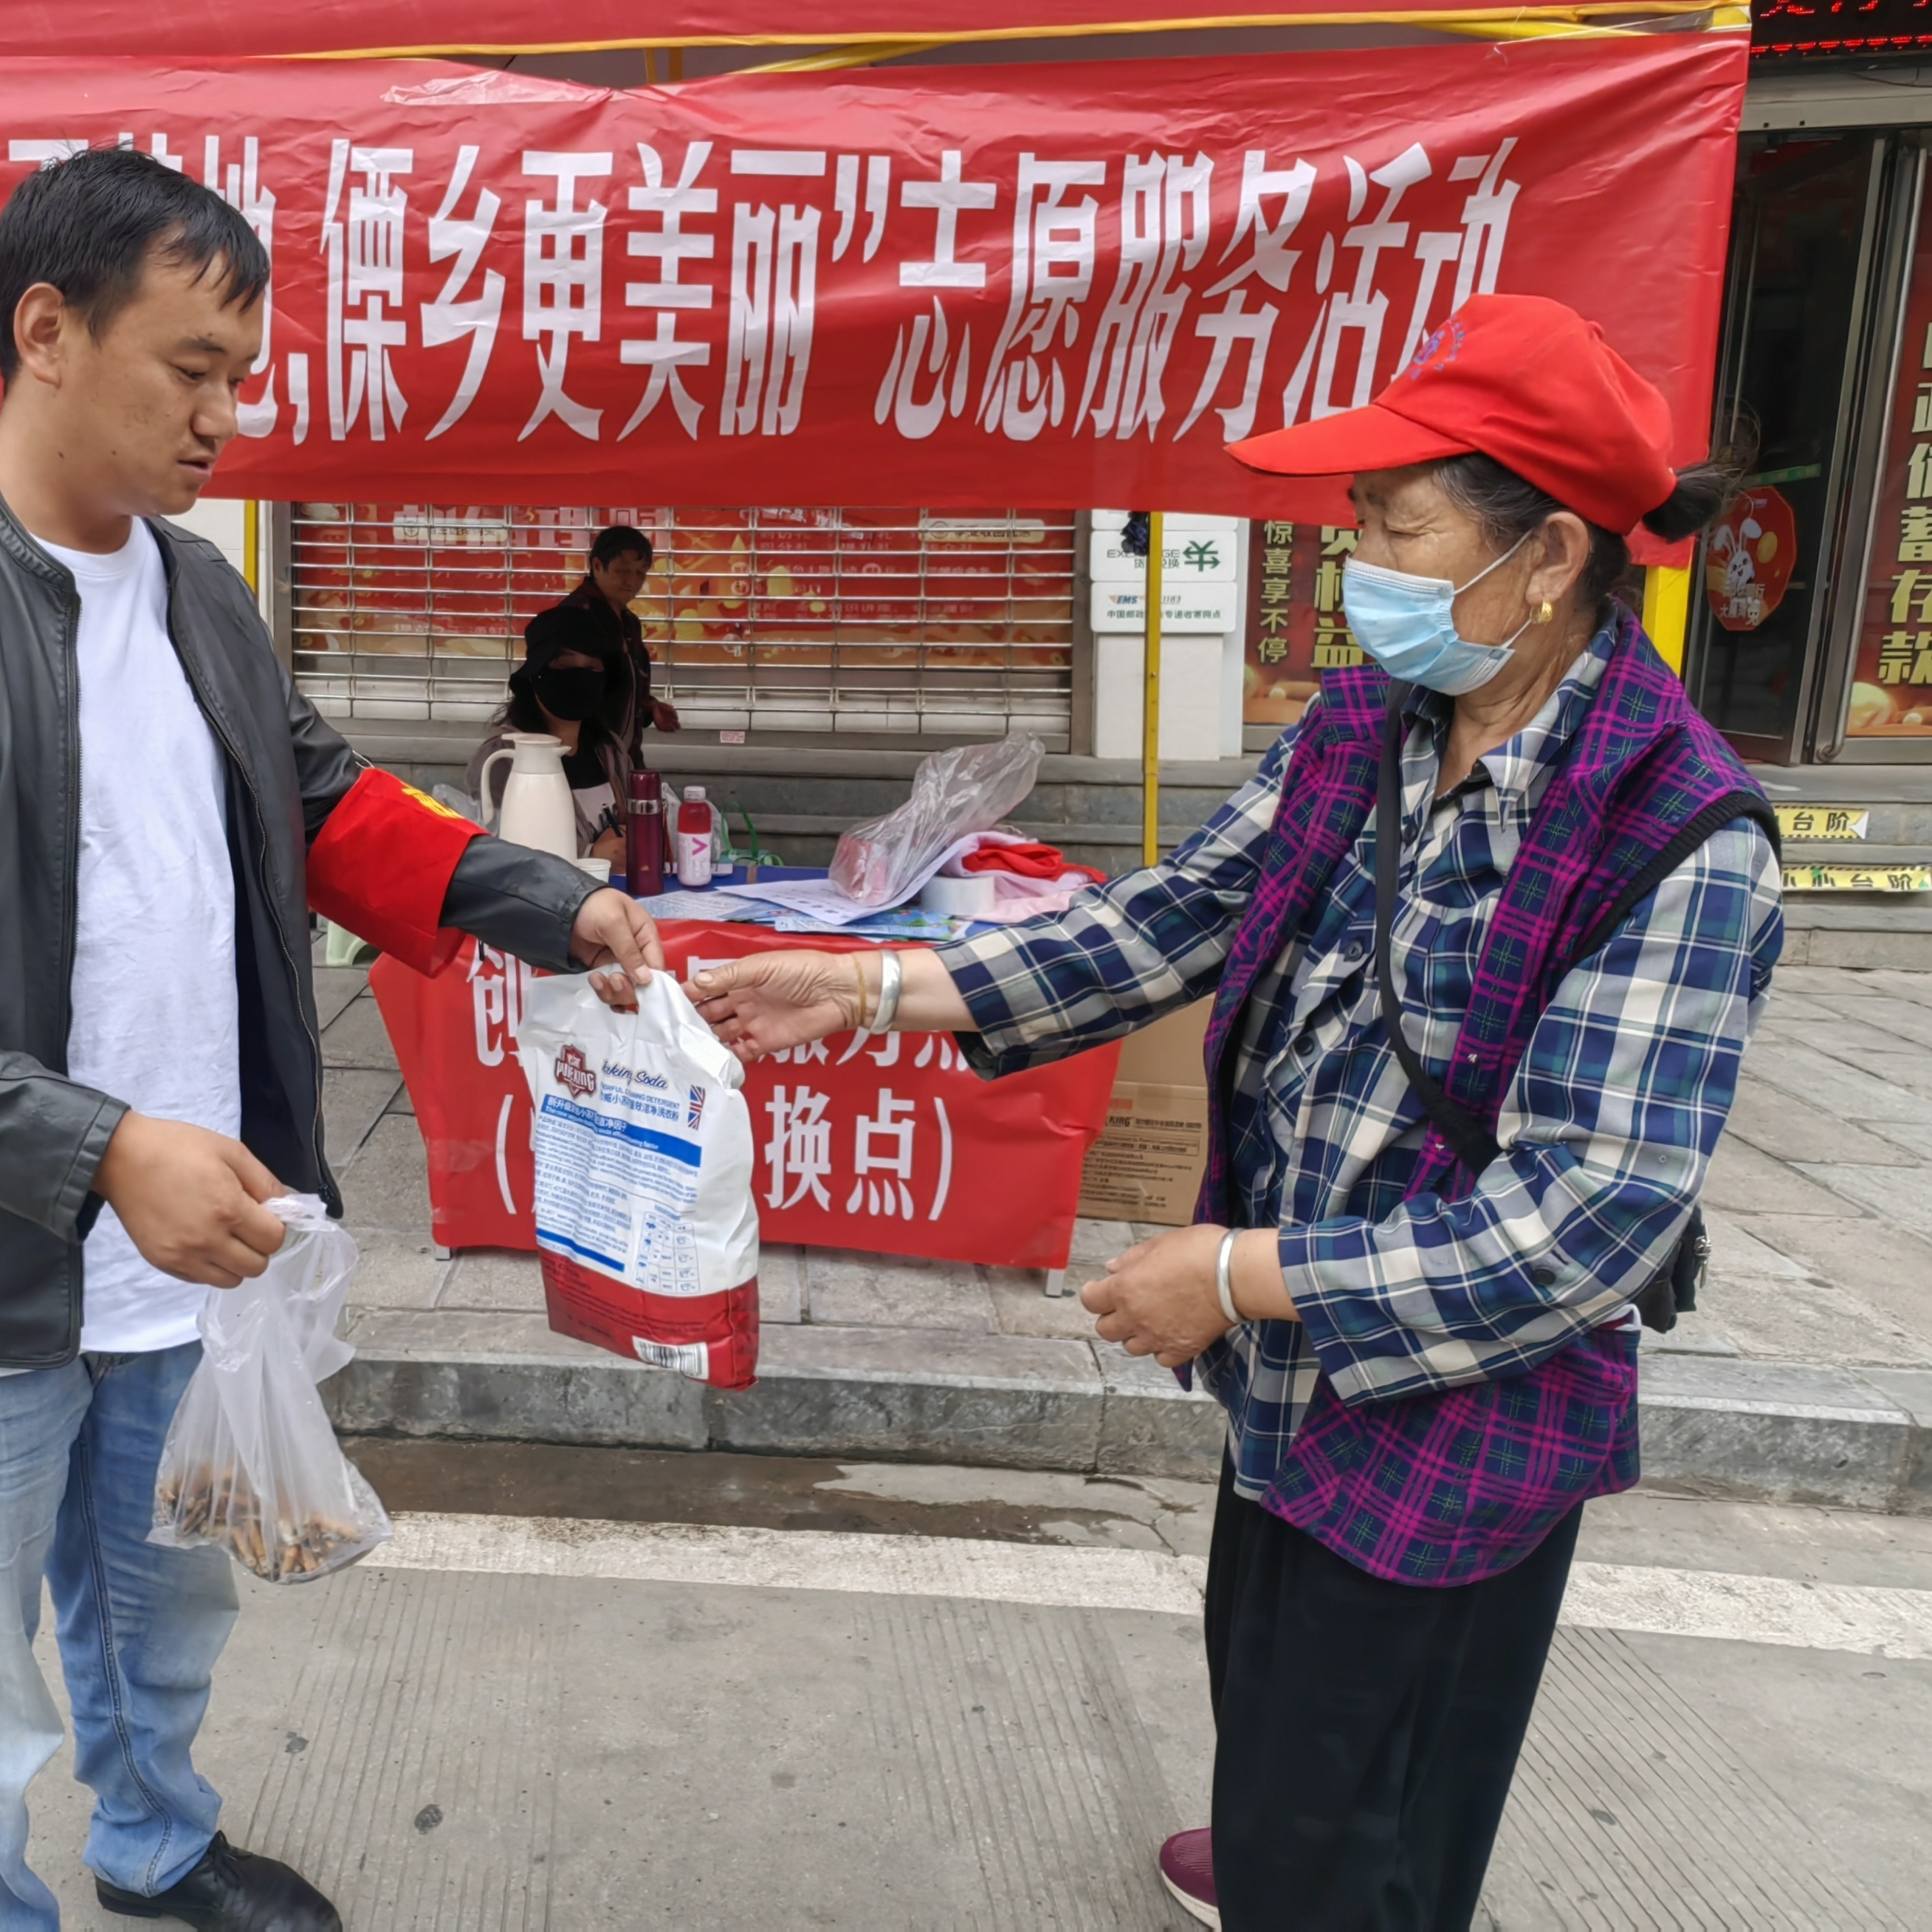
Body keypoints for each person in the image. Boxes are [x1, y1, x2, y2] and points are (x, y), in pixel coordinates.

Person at [687, 295, 1779, 1932]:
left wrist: (1227, 1275)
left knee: (1368, 1824)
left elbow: (1584, 1221)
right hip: (1286, 1381)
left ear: (1548, 556)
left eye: (1397, 527)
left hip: (1452, 1419)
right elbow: (1172, 917)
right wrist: (869, 990)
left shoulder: (1674, 831)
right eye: (1358, 523)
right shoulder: (1367, 727)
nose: (1360, 565)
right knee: (1274, 1707)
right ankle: (1282, 1836)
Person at [0, 148, 662, 1932]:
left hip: (189, 1252)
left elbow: (320, 803)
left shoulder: (197, 591)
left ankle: (154, 1842)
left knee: (164, 1612)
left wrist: (553, 904)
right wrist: (99, 1149)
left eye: (240, 372)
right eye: (192, 367)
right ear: (46, 331)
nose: (226, 416)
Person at [467, 606, 638, 870]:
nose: (579, 678)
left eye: (592, 668)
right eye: (564, 665)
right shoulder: (505, 756)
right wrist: (591, 857)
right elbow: (495, 852)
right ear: (536, 674)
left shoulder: (609, 750)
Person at [526, 521, 677, 758]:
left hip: (622, 757)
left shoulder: (629, 623)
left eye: (640, 573)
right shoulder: (575, 619)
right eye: (622, 571)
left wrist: (649, 707)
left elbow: (622, 686)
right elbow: (562, 695)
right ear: (597, 566)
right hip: (584, 755)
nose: (632, 581)